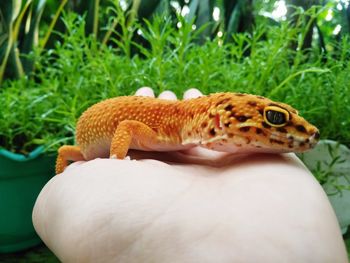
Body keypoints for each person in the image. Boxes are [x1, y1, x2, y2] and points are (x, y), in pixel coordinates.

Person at [32, 88, 348, 263]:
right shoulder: (164, 130)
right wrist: (116, 160)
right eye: (276, 119)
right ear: (217, 119)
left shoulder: (185, 132)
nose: (303, 132)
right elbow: (127, 127)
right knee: (68, 153)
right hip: (88, 144)